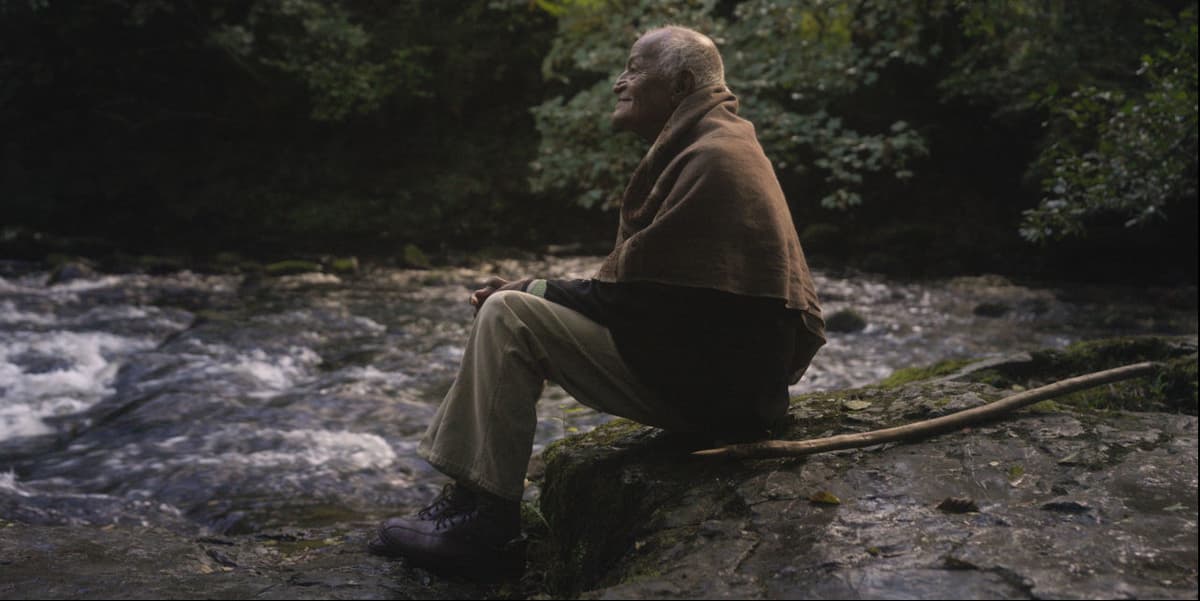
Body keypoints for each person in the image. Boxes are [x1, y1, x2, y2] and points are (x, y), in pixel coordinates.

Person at [367, 25, 825, 573]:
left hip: (717, 397)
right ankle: (467, 501)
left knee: (509, 316)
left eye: (635, 68)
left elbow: (640, 301)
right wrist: (542, 286)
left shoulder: (715, 157)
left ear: (680, 84)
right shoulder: (714, 142)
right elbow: (650, 294)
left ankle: (485, 523)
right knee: (517, 304)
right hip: (713, 379)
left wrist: (533, 288)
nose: (618, 82)